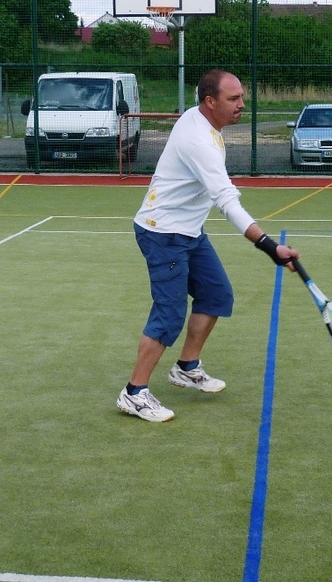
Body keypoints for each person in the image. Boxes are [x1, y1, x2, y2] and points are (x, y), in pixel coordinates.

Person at [117, 69, 299, 423]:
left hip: (189, 232)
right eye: (234, 99)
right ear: (210, 101)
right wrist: (269, 246)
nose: (242, 104)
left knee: (216, 295)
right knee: (169, 314)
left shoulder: (199, 118)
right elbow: (227, 201)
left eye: (242, 97)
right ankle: (134, 393)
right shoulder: (199, 142)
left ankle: (186, 366)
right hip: (163, 233)